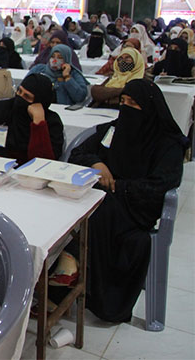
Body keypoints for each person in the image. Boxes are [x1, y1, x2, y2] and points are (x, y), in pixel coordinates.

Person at [68, 79, 186, 323]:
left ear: (150, 107)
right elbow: (78, 153)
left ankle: (90, 289)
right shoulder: (113, 130)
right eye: (123, 101)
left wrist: (119, 186)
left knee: (99, 210)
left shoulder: (167, 144)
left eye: (133, 103)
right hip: (106, 199)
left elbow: (160, 186)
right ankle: (66, 278)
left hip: (138, 207)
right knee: (86, 207)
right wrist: (97, 163)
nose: (126, 108)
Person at [0, 74, 64, 164]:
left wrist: (38, 123)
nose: (20, 98)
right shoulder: (1, 109)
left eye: (27, 96)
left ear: (40, 102)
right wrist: (2, 164)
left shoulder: (52, 122)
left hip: (27, 175)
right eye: (19, 91)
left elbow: (42, 164)